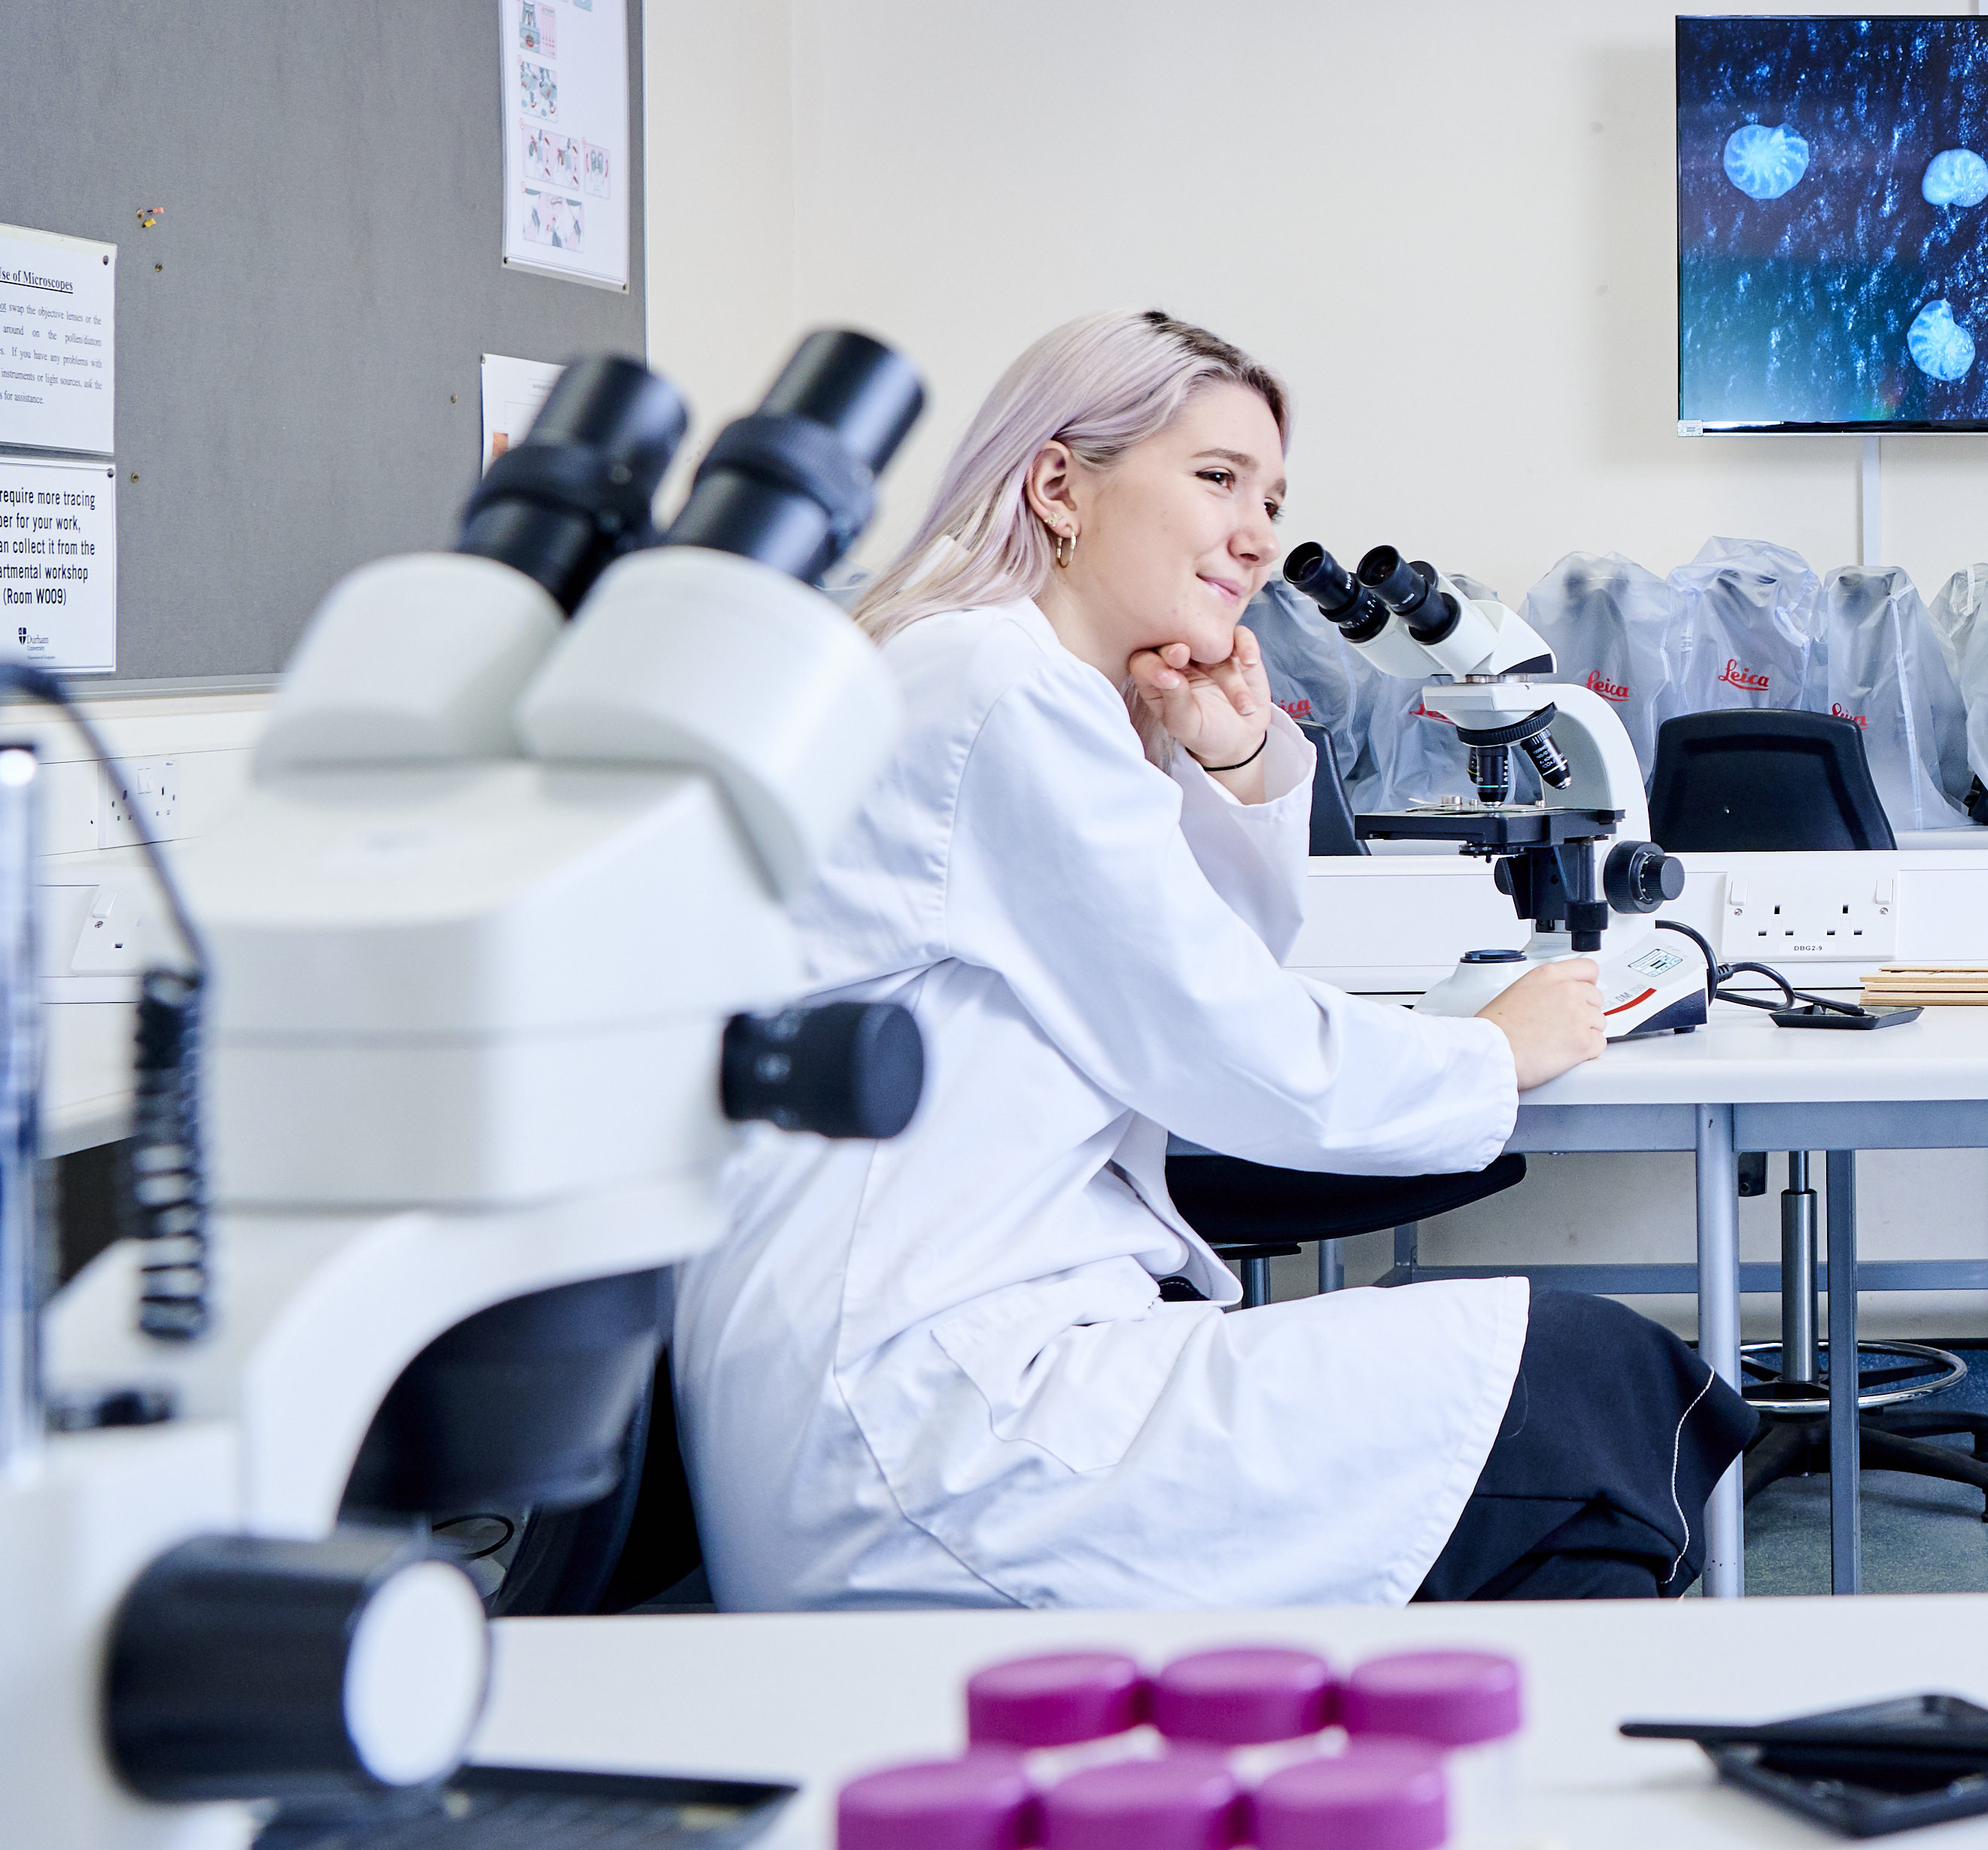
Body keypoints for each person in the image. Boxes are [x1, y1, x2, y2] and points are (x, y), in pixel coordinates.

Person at [676, 310, 1757, 1609]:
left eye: (1273, 496)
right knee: (1588, 1394)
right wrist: (1494, 1052)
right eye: (1217, 479)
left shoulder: (1027, 687)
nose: (1256, 534)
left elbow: (1183, 970)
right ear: (1059, 483)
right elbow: (1223, 1039)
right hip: (925, 1414)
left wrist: (1234, 764)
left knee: (1580, 1404)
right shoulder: (992, 689)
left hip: (973, 1352)